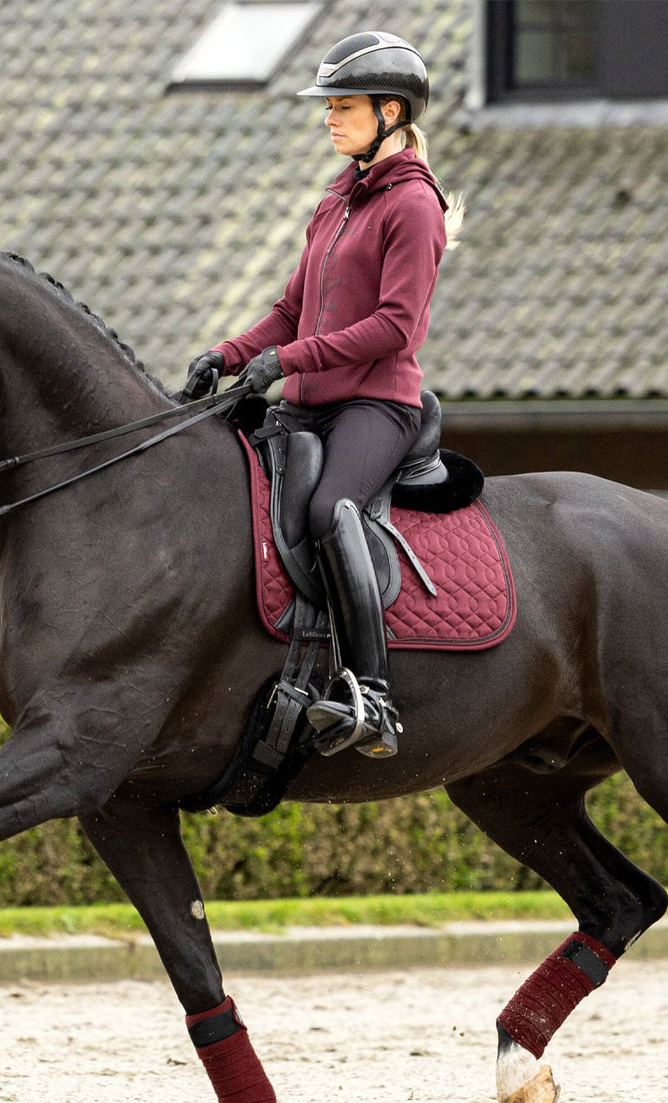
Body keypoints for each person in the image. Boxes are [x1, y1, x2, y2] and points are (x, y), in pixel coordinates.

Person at [184, 31, 453, 760]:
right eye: (328, 106)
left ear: (390, 112)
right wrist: (230, 353)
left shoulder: (413, 207)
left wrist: (287, 357)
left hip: (375, 406)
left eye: (343, 106)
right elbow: (289, 309)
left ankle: (373, 695)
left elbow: (395, 328)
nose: (329, 119)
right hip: (305, 400)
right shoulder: (337, 199)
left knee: (328, 509)